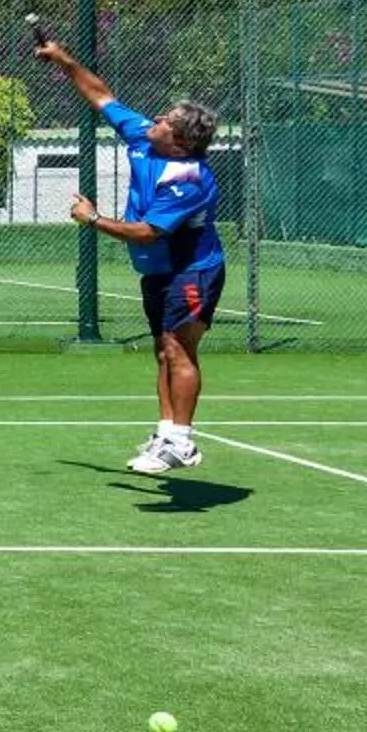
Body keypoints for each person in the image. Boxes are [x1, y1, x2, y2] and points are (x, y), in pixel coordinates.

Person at [32, 38, 225, 476]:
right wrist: (62, 59)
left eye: (166, 121)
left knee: (179, 349)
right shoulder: (145, 138)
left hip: (193, 270)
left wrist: (92, 218)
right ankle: (165, 434)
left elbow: (147, 232)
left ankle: (182, 442)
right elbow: (101, 95)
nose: (156, 119)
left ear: (180, 142)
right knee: (163, 351)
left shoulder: (189, 178)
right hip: (159, 269)